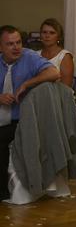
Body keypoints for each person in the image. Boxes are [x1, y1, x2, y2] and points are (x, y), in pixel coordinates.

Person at [0, 25, 60, 200]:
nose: (16, 47)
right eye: (10, 44)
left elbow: (54, 73)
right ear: (1, 47)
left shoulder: (29, 57)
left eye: (18, 42)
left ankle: (3, 191)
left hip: (23, 120)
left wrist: (27, 84)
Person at [37, 18, 74, 87]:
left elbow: (66, 88)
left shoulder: (65, 56)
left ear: (58, 37)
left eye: (52, 33)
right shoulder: (35, 55)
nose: (47, 36)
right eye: (44, 32)